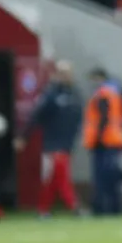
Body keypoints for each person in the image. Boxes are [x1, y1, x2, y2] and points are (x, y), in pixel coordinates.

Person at [18, 62, 84, 217]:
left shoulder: (75, 94)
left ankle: (42, 209)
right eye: (62, 72)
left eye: (68, 72)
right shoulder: (50, 94)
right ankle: (74, 205)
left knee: (54, 178)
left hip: (68, 143)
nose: (66, 75)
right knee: (61, 175)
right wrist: (24, 136)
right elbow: (36, 116)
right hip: (53, 143)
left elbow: (78, 118)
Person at [84, 68, 122, 215]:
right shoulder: (116, 93)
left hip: (104, 141)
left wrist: (97, 138)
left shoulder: (102, 94)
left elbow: (103, 118)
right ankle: (116, 207)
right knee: (112, 177)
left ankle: (101, 208)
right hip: (115, 140)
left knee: (101, 178)